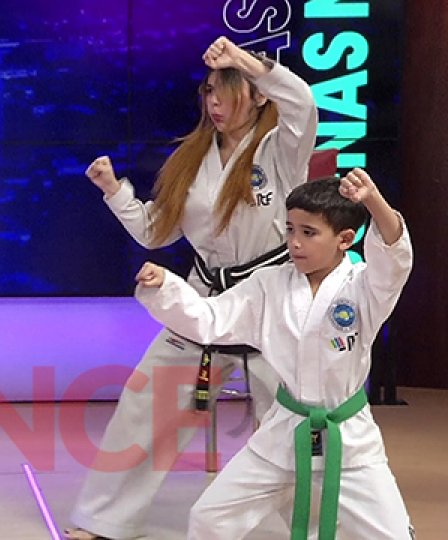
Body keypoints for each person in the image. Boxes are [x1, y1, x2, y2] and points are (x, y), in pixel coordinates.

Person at [66, 36, 317, 539]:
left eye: (227, 91)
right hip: (206, 298)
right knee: (146, 403)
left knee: (294, 422)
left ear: (259, 95)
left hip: (272, 300)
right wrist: (114, 191)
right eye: (209, 92)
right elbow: (155, 231)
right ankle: (105, 519)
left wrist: (244, 60)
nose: (215, 103)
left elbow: (302, 102)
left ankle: (316, 528)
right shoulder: (192, 157)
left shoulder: (281, 148)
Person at [133, 170, 414, 540]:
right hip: (284, 430)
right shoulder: (269, 285)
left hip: (349, 437)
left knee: (393, 535)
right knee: (209, 517)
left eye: (309, 233)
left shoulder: (364, 286)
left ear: (345, 239)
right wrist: (167, 287)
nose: (294, 242)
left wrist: (374, 200)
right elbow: (211, 318)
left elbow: (394, 257)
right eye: (290, 229)